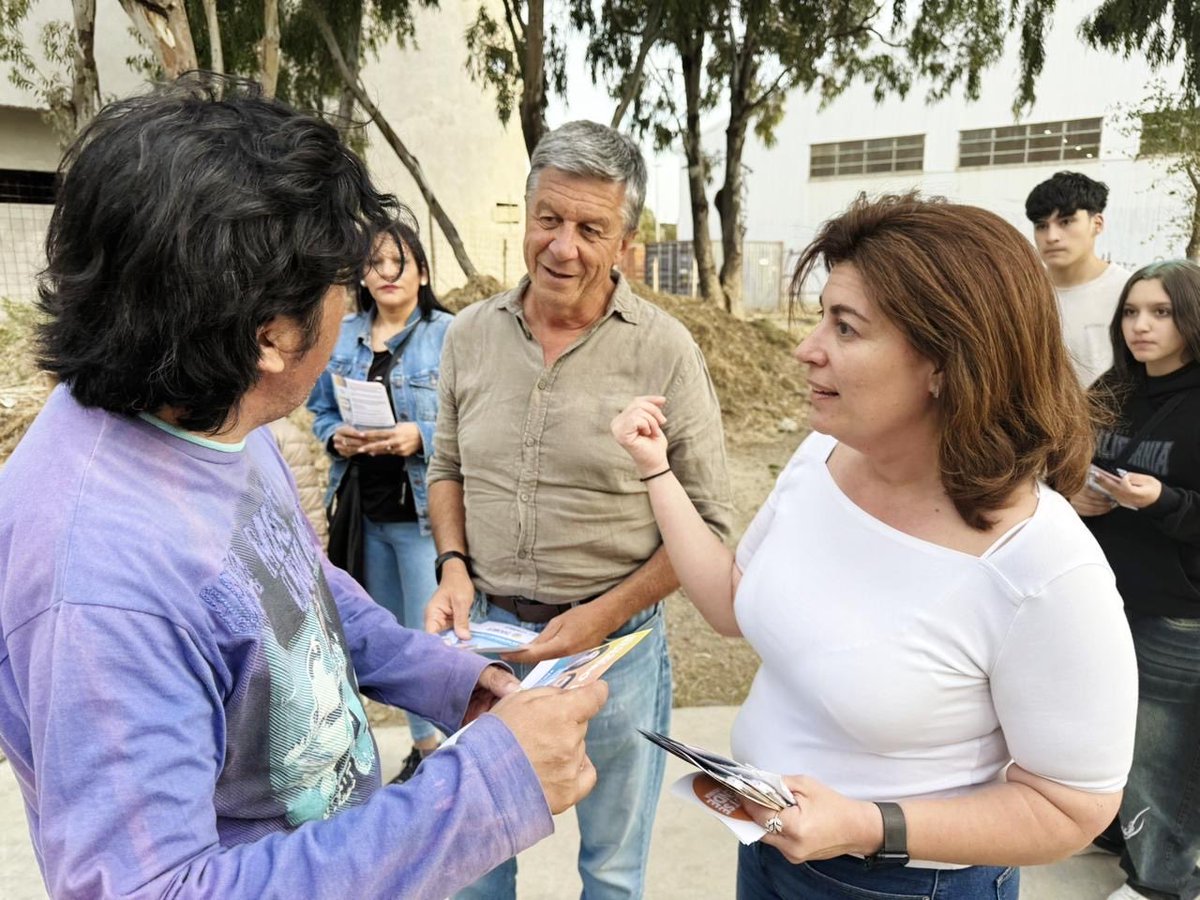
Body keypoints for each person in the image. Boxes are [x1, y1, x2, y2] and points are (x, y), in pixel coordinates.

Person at [0, 76, 608, 900]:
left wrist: (446, 680)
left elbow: (291, 587)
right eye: (342, 289)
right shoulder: (99, 586)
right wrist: (487, 789)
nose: (349, 307)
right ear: (272, 339)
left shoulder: (203, 406)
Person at [612, 193, 1139, 899]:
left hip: (904, 885)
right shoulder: (821, 456)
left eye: (846, 327)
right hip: (768, 851)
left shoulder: (1045, 568)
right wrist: (656, 470)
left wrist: (866, 825)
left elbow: (1072, 808)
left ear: (948, 362)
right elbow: (732, 604)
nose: (807, 348)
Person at [424, 119, 733, 899]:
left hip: (614, 655)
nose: (563, 248)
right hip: (490, 645)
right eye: (548, 219)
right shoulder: (468, 335)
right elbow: (447, 467)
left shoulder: (665, 350)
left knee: (612, 872)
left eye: (591, 229)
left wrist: (602, 616)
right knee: (475, 862)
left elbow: (707, 525)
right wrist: (453, 566)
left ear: (626, 242)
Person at [1068, 260, 1200, 900]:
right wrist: (1074, 490)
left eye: (1160, 312)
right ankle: (1120, 832)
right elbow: (1067, 459)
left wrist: (1164, 501)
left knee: (1162, 754)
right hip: (1103, 594)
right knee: (1110, 733)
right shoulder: (1113, 388)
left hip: (1176, 609)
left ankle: (1163, 882)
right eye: (1130, 311)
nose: (1141, 326)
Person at [308, 219, 451, 782]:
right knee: (384, 640)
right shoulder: (342, 334)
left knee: (428, 637)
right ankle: (424, 746)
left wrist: (422, 436)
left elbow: (475, 419)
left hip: (422, 518)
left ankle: (448, 753)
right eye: (375, 263)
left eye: (399, 261)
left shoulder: (448, 334)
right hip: (363, 513)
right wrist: (334, 436)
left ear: (423, 273)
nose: (387, 272)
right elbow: (320, 408)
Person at [1025, 170, 1130, 385]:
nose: (1051, 237)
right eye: (1041, 226)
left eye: (1065, 222)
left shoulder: (1130, 292)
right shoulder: (1023, 294)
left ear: (1097, 224)